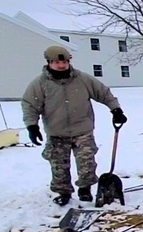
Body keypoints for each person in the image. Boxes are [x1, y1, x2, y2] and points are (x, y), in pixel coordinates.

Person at [22, 45, 127, 206]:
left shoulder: (82, 79)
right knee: (59, 167)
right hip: (56, 132)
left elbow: (103, 93)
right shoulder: (40, 84)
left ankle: (85, 189)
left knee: (87, 163)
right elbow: (30, 105)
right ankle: (63, 193)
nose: (61, 65)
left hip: (82, 130)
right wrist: (32, 126)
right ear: (49, 62)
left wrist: (116, 110)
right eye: (57, 62)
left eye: (64, 62)